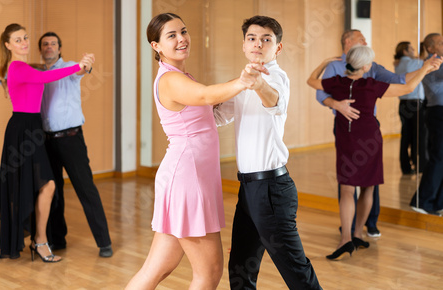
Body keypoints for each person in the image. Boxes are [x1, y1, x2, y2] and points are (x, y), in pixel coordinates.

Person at [124, 13, 264, 289]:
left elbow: (208, 109)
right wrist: (244, 80)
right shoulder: (169, 80)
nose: (181, 39)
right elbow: (206, 96)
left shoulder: (179, 75)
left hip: (189, 176)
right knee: (209, 273)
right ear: (156, 46)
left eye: (183, 31)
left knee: (157, 269)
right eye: (171, 35)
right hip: (187, 180)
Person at [214, 16, 322, 289]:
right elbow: (216, 116)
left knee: (295, 270)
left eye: (266, 39)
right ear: (243, 45)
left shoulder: (276, 77)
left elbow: (274, 100)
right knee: (240, 267)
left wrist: (257, 83)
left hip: (272, 189)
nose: (258, 44)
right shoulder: (242, 83)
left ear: (278, 47)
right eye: (252, 38)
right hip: (248, 190)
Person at [0, 23, 93, 263]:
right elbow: (47, 76)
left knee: (9, 188)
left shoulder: (20, 67)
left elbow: (37, 73)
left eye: (25, 37)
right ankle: (38, 241)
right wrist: (79, 66)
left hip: (31, 128)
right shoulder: (17, 67)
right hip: (22, 130)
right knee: (40, 185)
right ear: (7, 45)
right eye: (17, 40)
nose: (24, 42)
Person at [307, 45, 440, 260]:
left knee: (348, 189)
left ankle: (347, 239)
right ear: (366, 66)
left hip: (346, 139)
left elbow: (311, 81)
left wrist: (324, 63)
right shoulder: (372, 86)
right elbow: (407, 88)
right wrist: (425, 69)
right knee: (368, 188)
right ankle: (358, 233)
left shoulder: (336, 83)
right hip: (369, 140)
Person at [315, 29, 413, 238]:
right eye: (361, 39)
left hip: (360, 130)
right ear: (349, 42)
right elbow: (320, 93)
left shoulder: (365, 71)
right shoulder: (345, 71)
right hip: (349, 129)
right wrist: (337, 104)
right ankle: (352, 230)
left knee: (361, 183)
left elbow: (400, 79)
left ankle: (361, 228)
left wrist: (423, 68)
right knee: (356, 183)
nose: (365, 41)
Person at [37, 32, 113, 258]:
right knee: (53, 191)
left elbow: (82, 69)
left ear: (59, 49)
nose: (49, 47)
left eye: (53, 44)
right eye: (45, 44)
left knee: (85, 189)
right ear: (41, 50)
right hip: (46, 141)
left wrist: (86, 65)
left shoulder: (69, 68)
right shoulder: (39, 74)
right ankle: (57, 239)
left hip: (71, 139)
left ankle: (104, 242)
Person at [410, 33, 443, 215]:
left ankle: (437, 203)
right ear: (430, 48)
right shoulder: (432, 63)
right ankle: (422, 201)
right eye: (441, 43)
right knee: (439, 157)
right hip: (438, 112)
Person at [393, 41, 427, 174]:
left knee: (406, 135)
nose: (414, 51)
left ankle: (406, 167)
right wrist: (424, 49)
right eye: (411, 49)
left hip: (403, 104)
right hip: (415, 103)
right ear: (405, 51)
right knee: (419, 135)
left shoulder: (399, 64)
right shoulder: (410, 63)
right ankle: (421, 165)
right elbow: (425, 61)